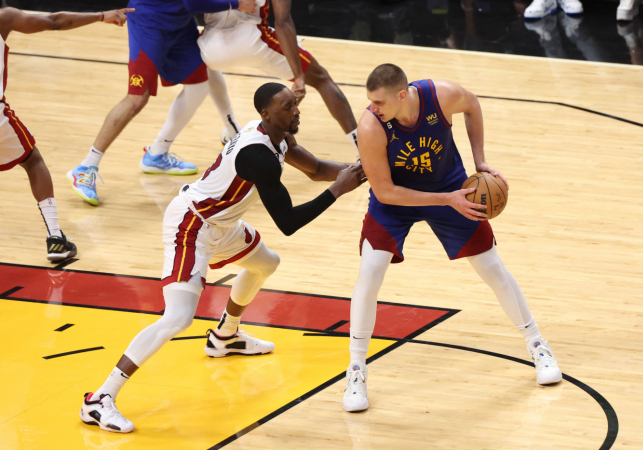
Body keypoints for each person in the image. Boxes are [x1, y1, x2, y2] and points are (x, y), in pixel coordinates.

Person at [80, 82, 365, 433]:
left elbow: (317, 168)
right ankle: (100, 399)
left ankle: (226, 336)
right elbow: (289, 222)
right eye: (288, 106)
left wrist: (361, 170)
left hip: (222, 222)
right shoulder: (258, 156)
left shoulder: (276, 135)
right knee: (178, 318)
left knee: (266, 263)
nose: (296, 110)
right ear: (266, 114)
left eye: (295, 104)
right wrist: (339, 190)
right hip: (192, 226)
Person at [342, 64, 562, 413]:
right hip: (399, 200)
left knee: (492, 268)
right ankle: (356, 369)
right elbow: (384, 192)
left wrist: (481, 161)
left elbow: (473, 104)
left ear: (402, 95)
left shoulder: (440, 95)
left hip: (450, 186)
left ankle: (537, 344)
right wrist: (447, 200)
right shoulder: (371, 126)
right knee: (370, 272)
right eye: (370, 101)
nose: (372, 107)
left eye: (379, 101)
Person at [66, 0, 257, 207]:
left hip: (180, 22)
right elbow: (193, 3)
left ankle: (157, 154)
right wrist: (235, 3)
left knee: (198, 84)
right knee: (137, 98)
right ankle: (86, 167)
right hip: (151, 23)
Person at [0, 7, 132, 260]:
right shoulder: (3, 18)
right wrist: (102, 16)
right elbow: (55, 21)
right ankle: (55, 237)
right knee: (32, 160)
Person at [194, 0, 360, 156]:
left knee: (201, 75)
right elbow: (283, 22)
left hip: (209, 46)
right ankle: (361, 148)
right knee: (322, 79)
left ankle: (230, 130)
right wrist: (298, 76)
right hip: (253, 40)